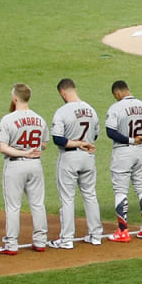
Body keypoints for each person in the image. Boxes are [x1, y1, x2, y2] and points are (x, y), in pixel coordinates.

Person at [0, 83, 48, 254]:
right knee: (38, 204)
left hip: (15, 165)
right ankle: (40, 241)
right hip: (35, 165)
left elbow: (2, 147)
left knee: (13, 206)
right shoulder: (39, 119)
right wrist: (30, 150)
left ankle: (11, 245)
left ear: (15, 98)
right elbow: (44, 144)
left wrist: (21, 152)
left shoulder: (8, 119)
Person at [50, 78, 103, 249]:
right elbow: (95, 135)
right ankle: (96, 235)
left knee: (67, 198)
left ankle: (66, 239)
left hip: (69, 158)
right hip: (88, 156)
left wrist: (76, 142)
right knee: (90, 195)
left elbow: (58, 139)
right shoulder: (91, 110)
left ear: (63, 93)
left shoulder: (62, 111)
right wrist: (84, 142)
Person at [105, 80, 142, 242]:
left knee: (121, 191)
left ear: (117, 93)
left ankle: (122, 231)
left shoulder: (116, 107)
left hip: (123, 152)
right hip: (141, 152)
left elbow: (110, 132)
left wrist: (130, 138)